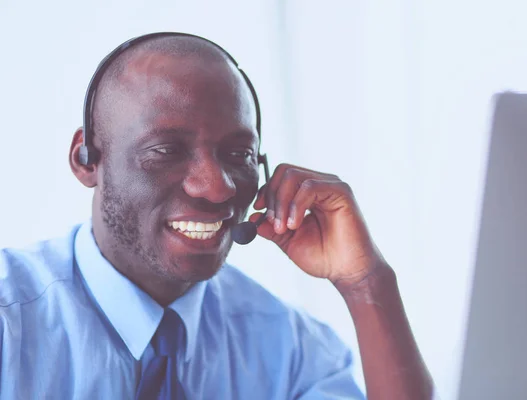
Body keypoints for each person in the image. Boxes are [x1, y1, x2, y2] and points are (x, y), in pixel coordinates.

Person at [0, 33, 435, 399]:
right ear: (86, 158)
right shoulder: (11, 323)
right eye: (167, 150)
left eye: (238, 154)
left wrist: (366, 283)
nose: (218, 187)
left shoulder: (289, 348)